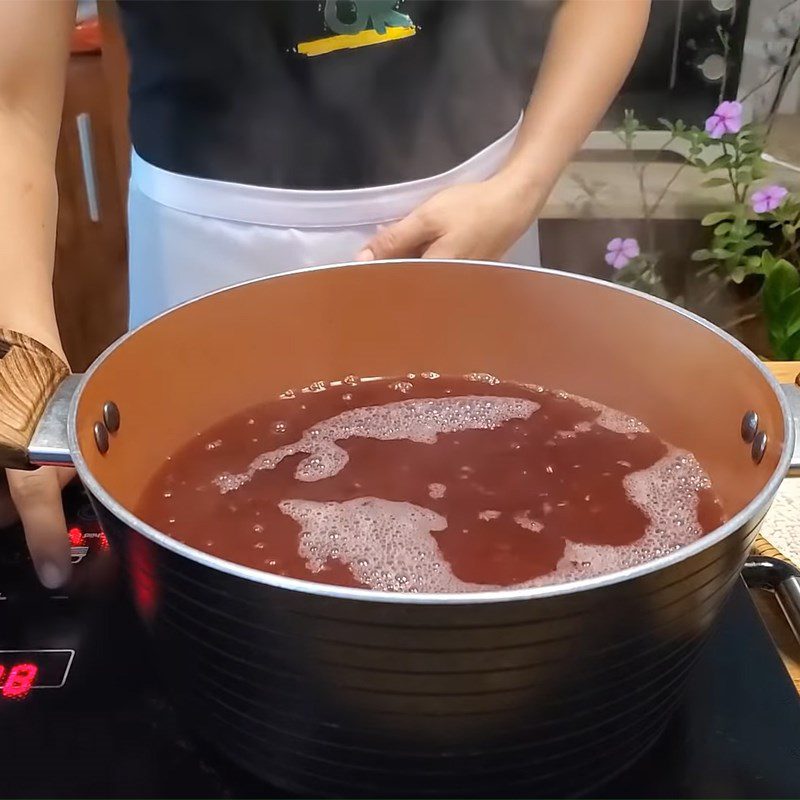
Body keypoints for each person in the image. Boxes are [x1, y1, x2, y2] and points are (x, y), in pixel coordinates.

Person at [0, 0, 650, 587]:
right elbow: (11, 108)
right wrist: (20, 368)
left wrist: (524, 184)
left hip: (477, 216)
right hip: (204, 243)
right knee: (216, 578)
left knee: (504, 538)